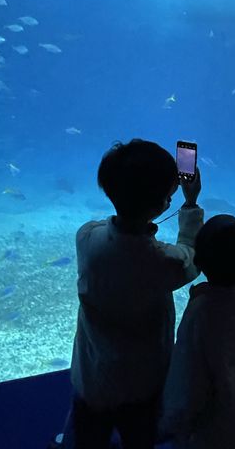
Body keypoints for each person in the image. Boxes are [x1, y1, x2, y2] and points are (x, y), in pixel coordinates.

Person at [61, 140, 204, 449]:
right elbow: (191, 257)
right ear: (164, 203)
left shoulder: (86, 237)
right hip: (141, 385)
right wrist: (190, 204)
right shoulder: (163, 261)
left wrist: (135, 207)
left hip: (91, 378)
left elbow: (113, 229)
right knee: (139, 439)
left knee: (86, 437)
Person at [161, 214, 235, 449]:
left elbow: (185, 378)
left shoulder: (201, 313)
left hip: (204, 431)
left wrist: (171, 420)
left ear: (199, 262)